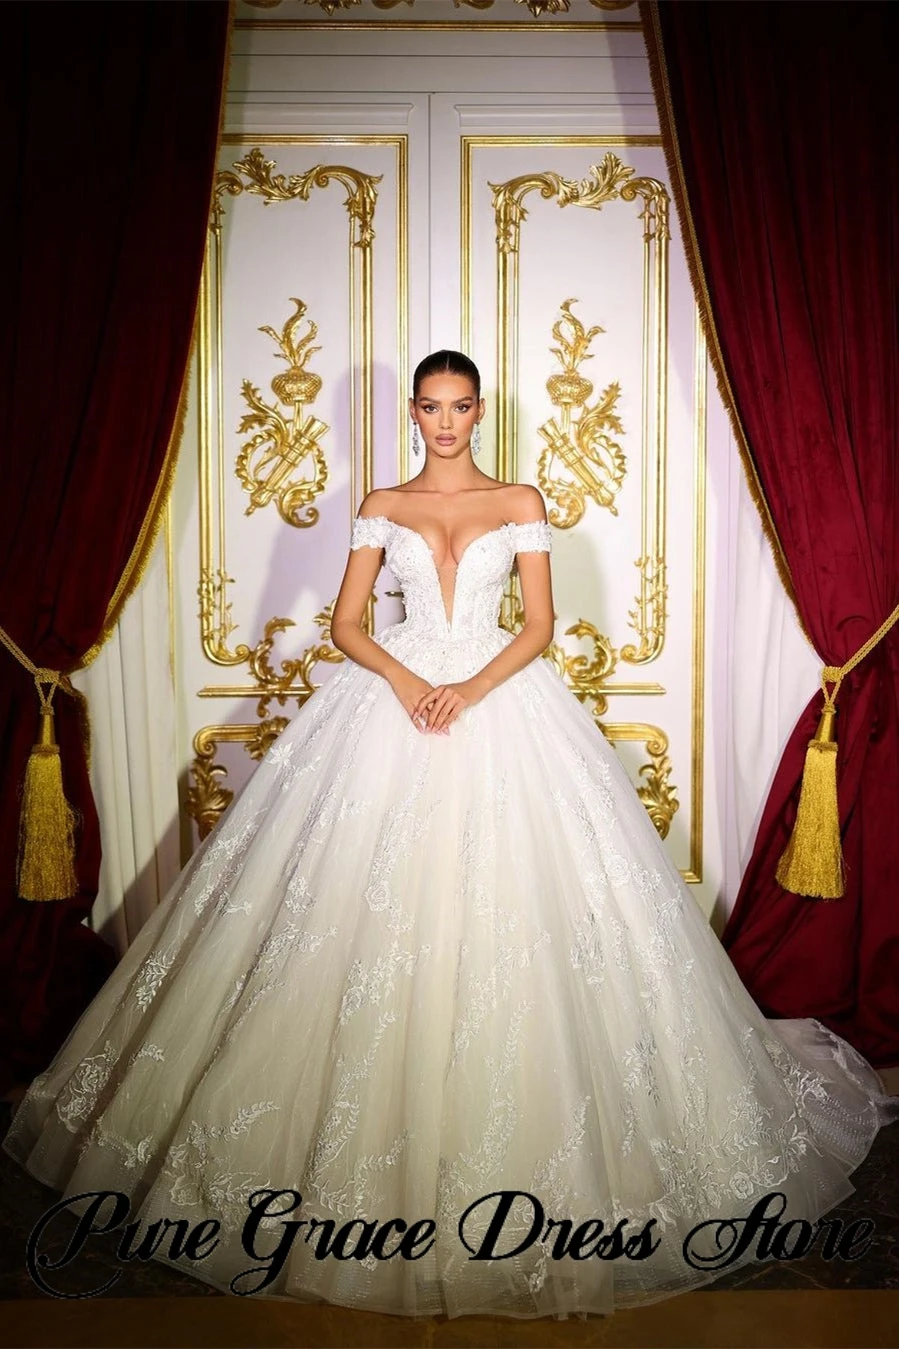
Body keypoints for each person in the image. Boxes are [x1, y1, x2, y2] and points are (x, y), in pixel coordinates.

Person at [4, 350, 896, 1319]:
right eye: (428, 406)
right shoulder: (380, 501)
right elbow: (347, 622)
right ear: (412, 411)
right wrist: (405, 682)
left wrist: (467, 688)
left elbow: (541, 623)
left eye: (458, 406)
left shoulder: (519, 498)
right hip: (391, 702)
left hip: (497, 703)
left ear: (479, 410)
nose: (443, 422)